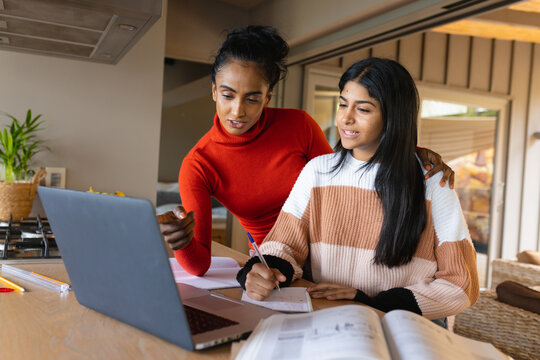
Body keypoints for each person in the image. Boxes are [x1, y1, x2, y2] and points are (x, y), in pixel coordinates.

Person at [159, 26, 454, 276]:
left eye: (252, 98)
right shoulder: (198, 164)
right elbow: (198, 266)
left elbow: (344, 174)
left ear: (267, 97)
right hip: (275, 265)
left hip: (332, 254)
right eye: (227, 95)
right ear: (213, 91)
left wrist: (409, 152)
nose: (237, 110)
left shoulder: (298, 125)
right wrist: (182, 241)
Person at [236, 58, 479, 324]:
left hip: (402, 326)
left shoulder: (432, 180)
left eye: (363, 109)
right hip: (326, 318)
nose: (346, 118)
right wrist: (265, 269)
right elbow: (284, 246)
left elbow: (461, 285)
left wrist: (370, 303)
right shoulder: (318, 171)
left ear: (393, 115)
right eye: (343, 104)